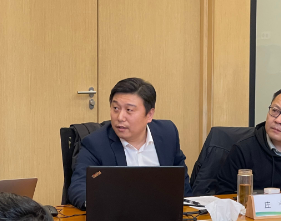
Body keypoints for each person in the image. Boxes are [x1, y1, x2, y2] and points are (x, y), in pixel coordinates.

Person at [68, 77, 192, 209]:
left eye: (129, 110)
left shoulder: (167, 134)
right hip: (118, 217)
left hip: (164, 216)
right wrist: (99, 206)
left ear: (149, 114)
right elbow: (79, 186)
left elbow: (181, 182)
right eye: (115, 108)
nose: (120, 117)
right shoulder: (95, 144)